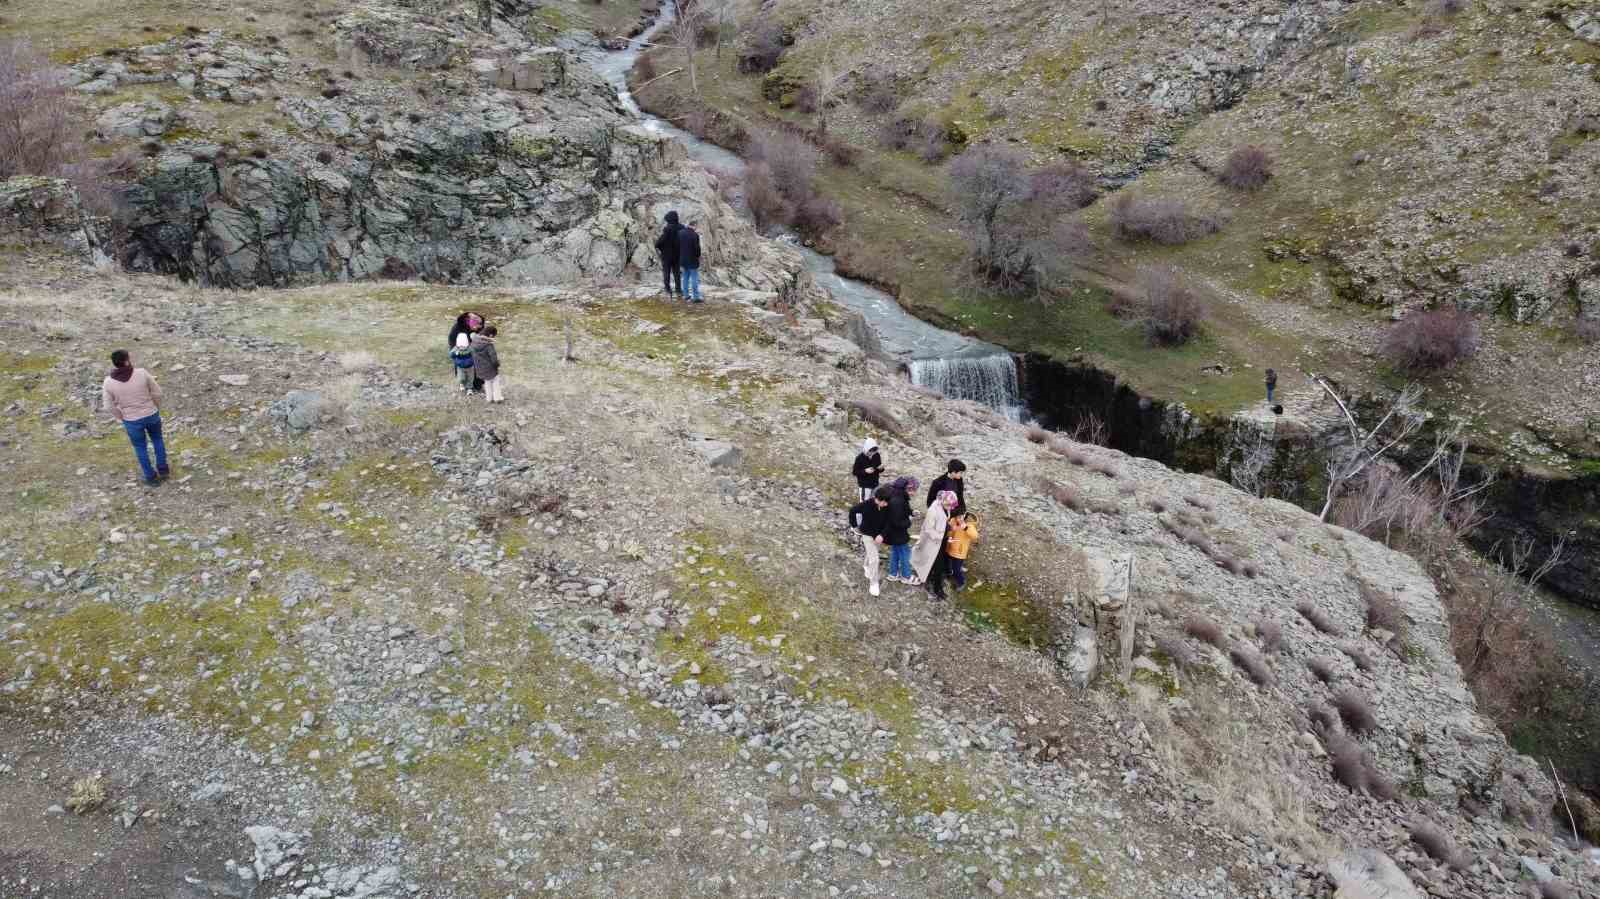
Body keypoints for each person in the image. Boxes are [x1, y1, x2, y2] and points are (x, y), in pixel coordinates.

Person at [101, 349, 168, 487]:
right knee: (157, 439)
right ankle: (163, 469)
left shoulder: (108, 382)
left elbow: (108, 406)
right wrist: (154, 407)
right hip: (151, 414)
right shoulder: (142, 373)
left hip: (131, 420)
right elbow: (158, 393)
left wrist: (121, 416)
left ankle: (151, 477)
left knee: (140, 447)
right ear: (127, 361)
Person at [913, 490, 959, 599]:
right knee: (936, 564)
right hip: (933, 542)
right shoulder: (933, 510)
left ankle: (935, 583)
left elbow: (944, 521)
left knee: (939, 564)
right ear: (943, 501)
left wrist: (948, 531)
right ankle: (934, 587)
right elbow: (928, 529)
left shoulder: (945, 507)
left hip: (941, 540)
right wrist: (941, 536)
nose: (951, 508)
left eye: (951, 506)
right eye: (949, 505)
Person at [848, 487, 890, 597]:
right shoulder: (867, 504)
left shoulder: (887, 506)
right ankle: (874, 583)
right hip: (867, 534)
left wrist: (882, 535)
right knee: (875, 559)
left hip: (879, 536)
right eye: (884, 502)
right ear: (878, 499)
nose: (886, 504)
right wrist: (854, 526)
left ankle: (866, 565)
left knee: (872, 552)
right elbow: (852, 510)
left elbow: (889, 522)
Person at [883, 476, 916, 584]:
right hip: (898, 533)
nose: (913, 493)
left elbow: (903, 509)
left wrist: (911, 512)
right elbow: (897, 521)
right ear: (905, 489)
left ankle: (893, 574)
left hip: (892, 533)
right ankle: (906, 576)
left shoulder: (898, 496)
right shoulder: (898, 501)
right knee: (905, 553)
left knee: (895, 552)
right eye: (912, 490)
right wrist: (908, 521)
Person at [945, 502, 978, 593]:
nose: (958, 519)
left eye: (960, 517)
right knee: (949, 564)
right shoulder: (953, 521)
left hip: (960, 552)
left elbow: (975, 536)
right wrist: (949, 536)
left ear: (964, 515)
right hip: (950, 549)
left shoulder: (969, 525)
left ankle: (961, 582)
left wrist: (966, 528)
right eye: (957, 517)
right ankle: (950, 573)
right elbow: (949, 531)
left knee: (956, 569)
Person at [449, 312, 485, 392]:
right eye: (477, 326)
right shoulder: (457, 329)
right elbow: (452, 343)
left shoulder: (479, 323)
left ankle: (478, 384)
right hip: (460, 350)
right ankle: (463, 383)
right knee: (461, 365)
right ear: (471, 323)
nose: (479, 327)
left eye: (480, 326)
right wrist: (456, 353)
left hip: (475, 349)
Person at [472, 325, 503, 404]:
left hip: (480, 367)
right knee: (495, 381)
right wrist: (497, 364)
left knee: (487, 381)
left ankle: (489, 398)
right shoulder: (488, 345)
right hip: (490, 368)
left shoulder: (474, 341)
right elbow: (494, 359)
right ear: (491, 335)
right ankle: (497, 398)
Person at [655, 211, 683, 298]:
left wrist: (659, 247)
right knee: (677, 273)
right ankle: (678, 290)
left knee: (666, 272)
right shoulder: (682, 228)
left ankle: (668, 289)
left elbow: (660, 242)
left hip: (666, 255)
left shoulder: (667, 229)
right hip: (678, 254)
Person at [678, 220, 703, 303]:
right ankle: (696, 297)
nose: (696, 228)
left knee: (685, 277)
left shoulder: (680, 233)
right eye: (696, 226)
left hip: (682, 259)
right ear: (694, 225)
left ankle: (686, 295)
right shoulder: (694, 235)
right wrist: (698, 256)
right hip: (692, 260)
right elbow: (697, 248)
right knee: (694, 278)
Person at [851, 437, 882, 503]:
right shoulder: (859, 458)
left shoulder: (876, 455)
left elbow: (878, 468)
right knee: (864, 503)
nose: (872, 453)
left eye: (874, 451)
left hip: (875, 484)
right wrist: (865, 471)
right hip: (865, 486)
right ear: (867, 448)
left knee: (874, 502)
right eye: (870, 451)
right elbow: (855, 472)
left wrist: (881, 469)